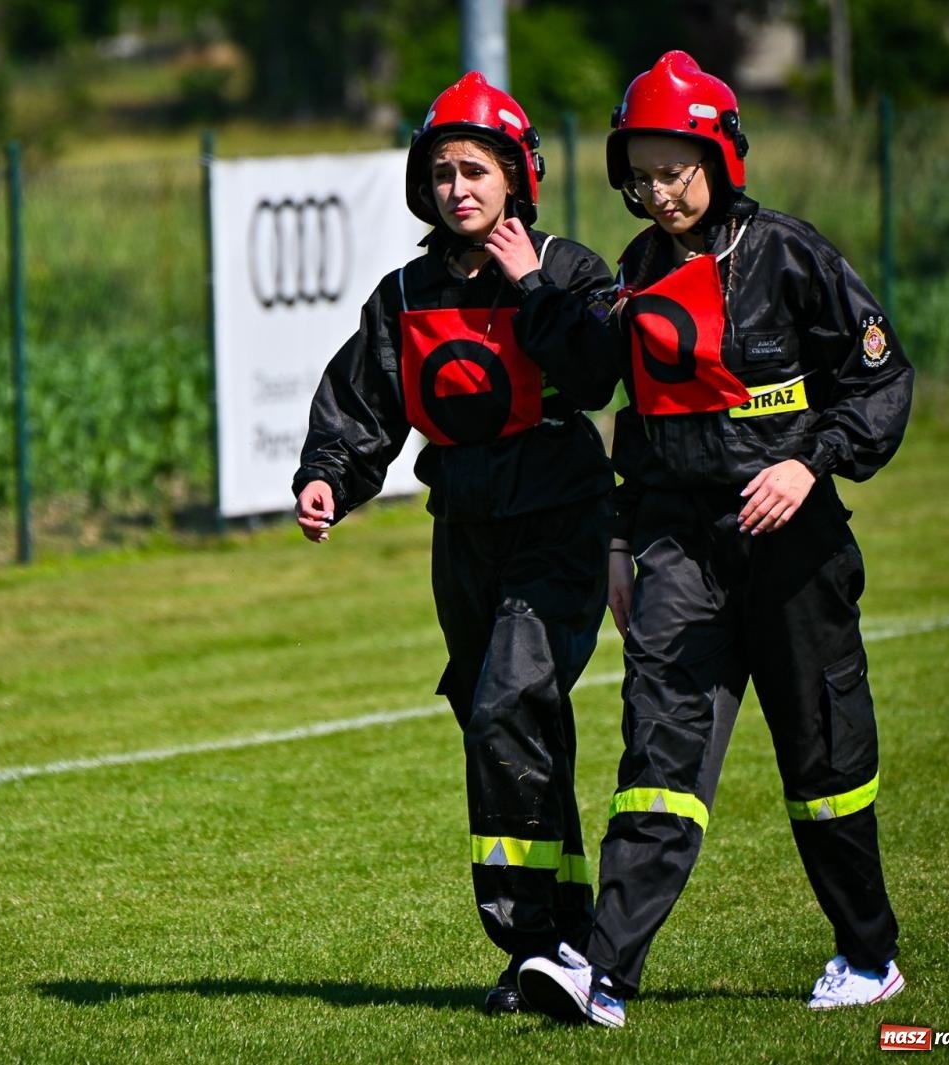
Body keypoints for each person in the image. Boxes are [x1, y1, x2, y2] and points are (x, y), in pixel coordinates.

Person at [514, 51, 914, 1028]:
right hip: (679, 547)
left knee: (822, 763)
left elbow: (879, 381)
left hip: (794, 547)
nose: (656, 192)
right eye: (639, 173)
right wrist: (618, 540)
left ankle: (869, 957)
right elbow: (617, 402)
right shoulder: (638, 273)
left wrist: (807, 462)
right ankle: (604, 975)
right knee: (657, 745)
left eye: (674, 169)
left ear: (720, 157)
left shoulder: (790, 255)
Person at [291, 71, 620, 1014]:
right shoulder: (404, 293)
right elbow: (363, 405)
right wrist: (328, 477)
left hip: (560, 520)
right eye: (442, 173)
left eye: (476, 170)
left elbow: (598, 377)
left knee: (507, 706)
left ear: (518, 177)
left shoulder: (571, 270)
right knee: (509, 730)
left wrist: (532, 288)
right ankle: (554, 943)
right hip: (464, 528)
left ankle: (534, 941)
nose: (458, 189)